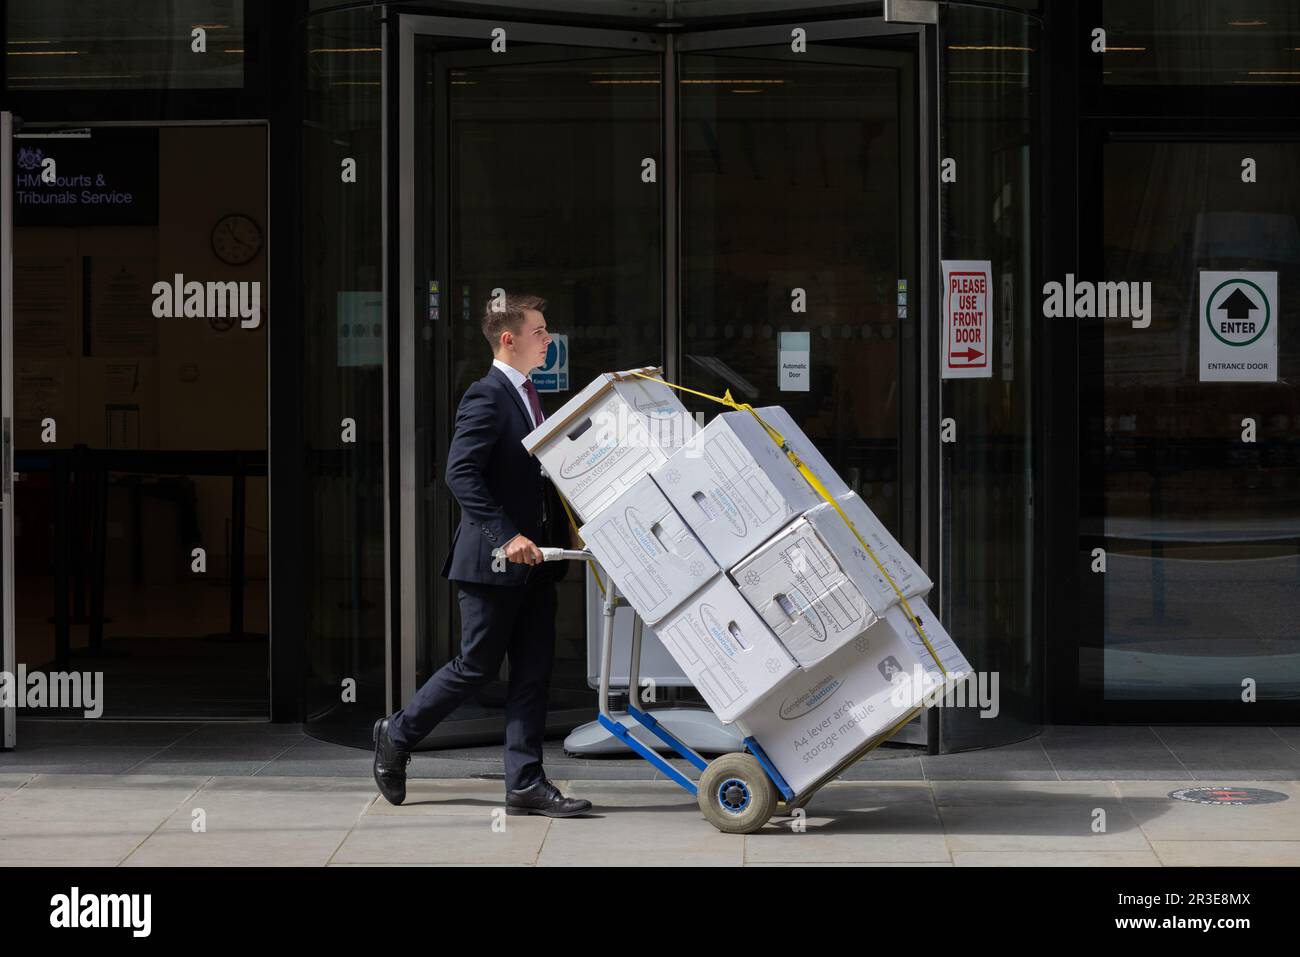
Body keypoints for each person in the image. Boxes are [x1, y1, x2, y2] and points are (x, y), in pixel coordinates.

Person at [373, 293, 591, 818]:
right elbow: (459, 473)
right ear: (508, 339)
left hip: (538, 562)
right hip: (494, 562)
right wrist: (505, 536)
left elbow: (536, 479)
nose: (548, 339)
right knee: (476, 665)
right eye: (539, 331)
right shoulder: (487, 395)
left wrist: (568, 530)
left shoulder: (531, 397)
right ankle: (397, 735)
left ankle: (525, 785)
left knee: (533, 674)